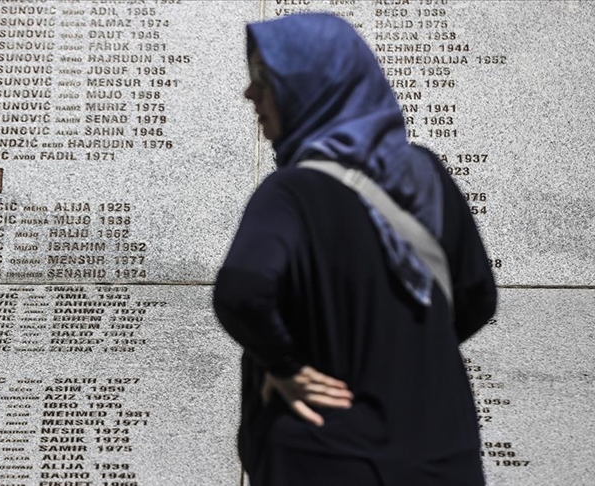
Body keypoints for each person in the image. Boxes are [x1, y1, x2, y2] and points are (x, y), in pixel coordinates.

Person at [213, 13, 497, 486]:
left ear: (315, 84)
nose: (250, 94)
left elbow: (242, 289)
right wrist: (402, 356)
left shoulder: (291, 192)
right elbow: (477, 298)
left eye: (264, 78)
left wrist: (285, 366)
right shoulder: (428, 176)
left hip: (325, 455)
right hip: (443, 453)